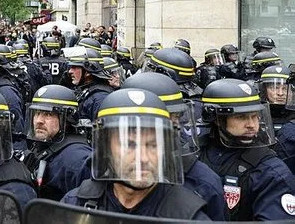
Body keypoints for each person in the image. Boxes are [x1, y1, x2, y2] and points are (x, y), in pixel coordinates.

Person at [61, 88, 210, 220]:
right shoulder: (75, 205)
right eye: (129, 145)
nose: (143, 158)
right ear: (106, 149)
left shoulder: (188, 217)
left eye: (153, 145)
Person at [121, 72, 227, 221]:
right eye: (163, 119)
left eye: (176, 118)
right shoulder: (101, 171)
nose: (174, 126)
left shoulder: (202, 181)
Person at [198, 79, 295, 221]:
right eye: (241, 117)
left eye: (255, 116)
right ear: (217, 119)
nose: (252, 125)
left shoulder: (270, 171)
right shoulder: (195, 155)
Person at [24, 85, 92, 200]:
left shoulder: (77, 159)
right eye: (37, 113)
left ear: (66, 119)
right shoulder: (44, 144)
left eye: (48, 114)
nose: (39, 120)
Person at [262, 66, 295, 173]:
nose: (280, 93)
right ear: (264, 90)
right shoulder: (254, 116)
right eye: (274, 87)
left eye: (285, 88)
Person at [67, 49, 113, 120]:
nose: (70, 71)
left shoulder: (100, 98)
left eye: (75, 67)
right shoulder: (86, 89)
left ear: (87, 72)